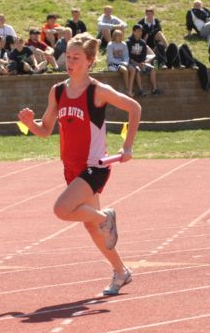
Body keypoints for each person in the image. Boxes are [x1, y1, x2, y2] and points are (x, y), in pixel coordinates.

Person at [17, 33, 140, 296]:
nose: (69, 62)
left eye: (76, 58)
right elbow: (46, 129)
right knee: (91, 226)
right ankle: (121, 272)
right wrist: (30, 124)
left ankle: (106, 216)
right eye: (68, 57)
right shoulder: (58, 91)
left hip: (95, 166)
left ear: (90, 61)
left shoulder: (98, 92)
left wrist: (127, 146)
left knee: (62, 209)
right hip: (71, 167)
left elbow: (134, 107)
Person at [127, 24, 161, 96]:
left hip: (141, 62)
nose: (140, 33)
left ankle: (155, 89)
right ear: (133, 32)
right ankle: (140, 90)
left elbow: (143, 55)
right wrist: (137, 63)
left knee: (152, 68)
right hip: (131, 62)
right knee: (137, 69)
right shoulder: (128, 42)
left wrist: (142, 62)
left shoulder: (143, 43)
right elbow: (128, 56)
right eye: (138, 31)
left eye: (141, 31)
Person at [106, 28, 132, 95]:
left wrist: (126, 62)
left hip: (122, 63)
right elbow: (110, 59)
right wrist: (121, 63)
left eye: (121, 35)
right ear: (114, 36)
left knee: (133, 69)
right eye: (119, 36)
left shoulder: (124, 44)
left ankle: (131, 88)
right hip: (112, 63)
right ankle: (127, 89)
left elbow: (126, 56)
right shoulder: (110, 45)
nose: (121, 37)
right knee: (125, 70)